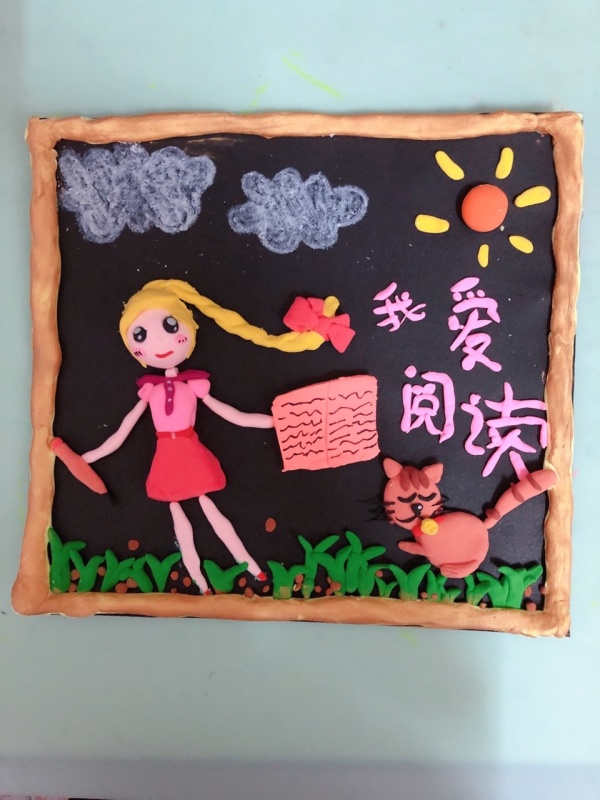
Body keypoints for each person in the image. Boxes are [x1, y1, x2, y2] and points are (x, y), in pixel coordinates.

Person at [81, 278, 343, 593]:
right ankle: (199, 581)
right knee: (179, 518)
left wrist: (272, 422)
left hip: (190, 451)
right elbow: (123, 430)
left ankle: (251, 566)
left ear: (188, 327)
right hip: (166, 458)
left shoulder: (193, 386)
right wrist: (91, 456)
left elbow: (232, 414)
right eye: (140, 335)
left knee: (211, 511)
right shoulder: (149, 391)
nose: (160, 340)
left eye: (170, 325)